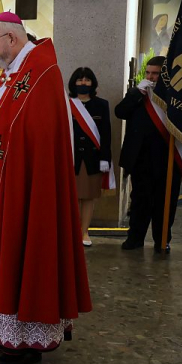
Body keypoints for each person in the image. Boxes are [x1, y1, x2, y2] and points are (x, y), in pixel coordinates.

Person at [0, 12, 92, 364]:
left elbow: (34, 128)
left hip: (28, 186)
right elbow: (8, 115)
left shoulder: (42, 70)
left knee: (26, 252)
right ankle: (4, 331)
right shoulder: (17, 70)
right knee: (5, 255)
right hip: (5, 179)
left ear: (12, 39)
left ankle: (26, 343)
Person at [115, 56, 182, 253]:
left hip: (167, 158)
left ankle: (162, 240)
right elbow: (120, 112)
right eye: (148, 73)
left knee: (165, 202)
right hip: (141, 157)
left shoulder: (174, 98)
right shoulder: (138, 94)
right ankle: (135, 238)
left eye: (156, 74)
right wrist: (137, 93)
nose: (151, 78)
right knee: (140, 201)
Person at [67, 67, 112, 247]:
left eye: (87, 80)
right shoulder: (66, 103)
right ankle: (71, 232)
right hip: (70, 158)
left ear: (92, 83)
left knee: (88, 197)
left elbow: (106, 133)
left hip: (92, 159)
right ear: (73, 83)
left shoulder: (101, 104)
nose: (83, 83)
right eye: (79, 80)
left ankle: (84, 231)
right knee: (71, 197)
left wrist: (105, 159)